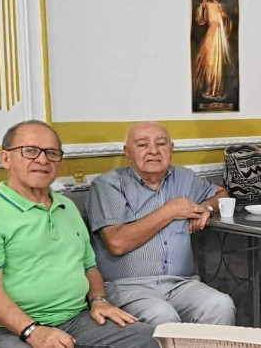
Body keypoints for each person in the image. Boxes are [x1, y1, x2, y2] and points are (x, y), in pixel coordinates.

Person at [0, 120, 157, 347]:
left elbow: (89, 267)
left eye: (51, 153)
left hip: (76, 319)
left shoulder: (66, 206)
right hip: (8, 329)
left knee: (147, 338)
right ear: (6, 158)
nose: (42, 160)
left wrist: (98, 300)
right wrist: (32, 330)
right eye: (29, 151)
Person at [87, 122, 235, 327]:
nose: (153, 151)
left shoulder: (184, 177)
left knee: (221, 304)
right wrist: (170, 211)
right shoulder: (108, 185)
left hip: (180, 284)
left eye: (161, 143)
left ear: (171, 149)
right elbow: (116, 242)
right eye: (142, 145)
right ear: (127, 152)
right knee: (161, 315)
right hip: (127, 288)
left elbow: (221, 194)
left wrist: (205, 209)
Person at [193, 0, 234, 100]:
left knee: (218, 64)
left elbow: (228, 22)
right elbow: (201, 19)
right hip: (211, 34)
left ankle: (217, 90)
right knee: (210, 62)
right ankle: (209, 89)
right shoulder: (208, 5)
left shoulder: (221, 6)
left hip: (220, 36)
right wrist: (203, 3)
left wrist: (225, 17)